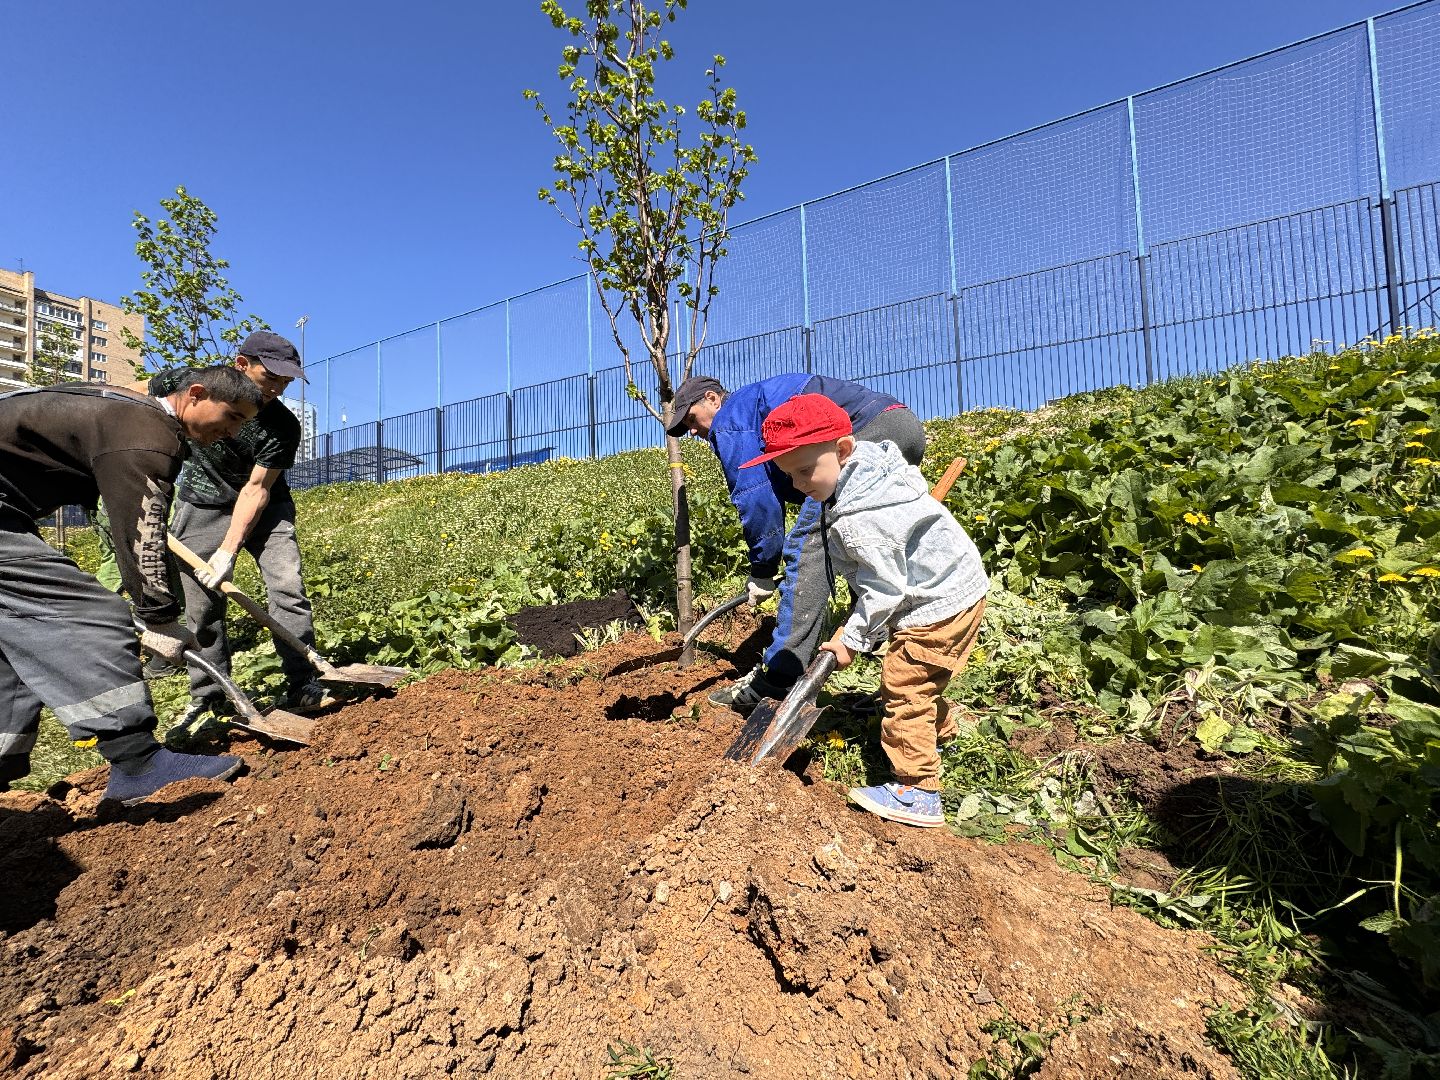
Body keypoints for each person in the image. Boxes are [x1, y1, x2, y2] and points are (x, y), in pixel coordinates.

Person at [0, 369, 264, 804]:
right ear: (195, 395)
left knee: (16, 642)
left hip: (10, 514)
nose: (232, 431)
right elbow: (140, 536)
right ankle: (139, 762)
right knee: (91, 617)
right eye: (231, 416)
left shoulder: (124, 411)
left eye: (242, 424)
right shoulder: (146, 433)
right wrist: (159, 617)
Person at [740, 394, 989, 828]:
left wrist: (851, 639)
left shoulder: (863, 516)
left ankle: (919, 791)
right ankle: (940, 728)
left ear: (842, 450)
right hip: (951, 590)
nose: (799, 486)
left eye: (804, 471)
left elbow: (884, 592)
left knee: (906, 685)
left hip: (935, 605)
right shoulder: (872, 473)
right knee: (915, 679)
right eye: (788, 476)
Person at [667, 373, 926, 711]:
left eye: (691, 418)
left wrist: (762, 567)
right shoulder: (756, 404)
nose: (692, 430)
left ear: (714, 400)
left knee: (810, 543)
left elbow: (755, 497)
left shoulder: (731, 419)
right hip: (900, 424)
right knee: (854, 533)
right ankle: (881, 638)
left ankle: (779, 676)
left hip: (868, 432)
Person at [148, 331, 334, 732]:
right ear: (241, 364)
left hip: (266, 508)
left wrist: (228, 552)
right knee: (202, 606)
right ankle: (210, 698)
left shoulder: (282, 426)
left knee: (287, 588)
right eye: (270, 377)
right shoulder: (187, 383)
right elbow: (138, 399)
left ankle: (304, 682)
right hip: (200, 503)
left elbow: (257, 489)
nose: (276, 389)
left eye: (285, 383)